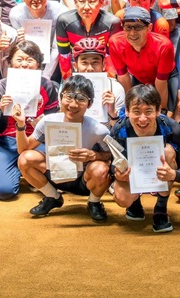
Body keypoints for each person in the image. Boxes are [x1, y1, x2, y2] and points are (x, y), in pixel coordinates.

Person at [16, 75, 113, 222]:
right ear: (61, 98)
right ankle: (52, 196)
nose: (73, 104)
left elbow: (109, 155)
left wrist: (93, 155)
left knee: (101, 169)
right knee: (25, 159)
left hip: (83, 180)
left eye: (81, 99)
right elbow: (24, 149)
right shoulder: (47, 121)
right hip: (54, 174)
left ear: (90, 104)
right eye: (68, 97)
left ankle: (94, 202)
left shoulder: (98, 130)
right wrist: (21, 125)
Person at [109, 84, 180, 233]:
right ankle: (134, 204)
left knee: (168, 151)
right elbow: (112, 164)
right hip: (132, 175)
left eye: (149, 111)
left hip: (160, 174)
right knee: (122, 197)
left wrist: (173, 174)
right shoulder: (119, 130)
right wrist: (117, 174)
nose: (142, 119)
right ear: (126, 111)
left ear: (158, 111)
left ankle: (160, 210)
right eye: (136, 112)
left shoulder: (172, 128)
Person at [0, 41, 60, 200]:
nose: (24, 64)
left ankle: (27, 169)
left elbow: (53, 126)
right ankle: (17, 168)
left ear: (38, 64)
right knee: (4, 191)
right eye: (19, 59)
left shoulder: (47, 86)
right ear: (10, 63)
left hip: (37, 141)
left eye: (30, 60)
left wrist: (41, 122)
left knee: (60, 180)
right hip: (8, 141)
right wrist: (2, 111)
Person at [108, 7, 175, 113]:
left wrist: (162, 111)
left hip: (167, 78)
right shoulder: (115, 43)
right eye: (128, 27)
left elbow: (161, 82)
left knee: (176, 109)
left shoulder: (164, 45)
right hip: (138, 78)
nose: (132, 33)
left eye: (138, 27)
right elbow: (123, 76)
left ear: (149, 28)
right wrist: (129, 106)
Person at [54, 0, 123, 79]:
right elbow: (64, 56)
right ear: (75, 2)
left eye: (92, 1)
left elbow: (111, 59)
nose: (86, 7)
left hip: (102, 69)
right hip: (77, 69)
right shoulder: (64, 21)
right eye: (81, 1)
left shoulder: (112, 23)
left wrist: (108, 84)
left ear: (101, 2)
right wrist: (68, 83)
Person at [9, 0, 68, 80]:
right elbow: (21, 47)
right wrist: (20, 40)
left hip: (54, 57)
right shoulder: (16, 14)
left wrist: (45, 77)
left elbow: (56, 47)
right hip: (29, 58)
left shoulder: (60, 12)